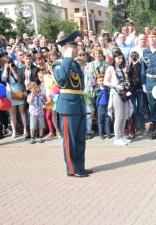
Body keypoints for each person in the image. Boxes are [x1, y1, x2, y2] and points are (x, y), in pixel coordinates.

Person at [52, 31, 92, 178]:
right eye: (74, 46)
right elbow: (61, 79)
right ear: (66, 47)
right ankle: (72, 169)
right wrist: (67, 57)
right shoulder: (58, 64)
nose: (77, 48)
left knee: (80, 140)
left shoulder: (75, 64)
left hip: (79, 105)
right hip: (68, 107)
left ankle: (80, 167)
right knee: (70, 141)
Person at [104, 50, 132, 146]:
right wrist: (116, 86)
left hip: (124, 93)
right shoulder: (110, 68)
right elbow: (105, 82)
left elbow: (124, 80)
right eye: (118, 58)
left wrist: (126, 84)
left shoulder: (122, 68)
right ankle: (117, 138)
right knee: (119, 116)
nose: (120, 60)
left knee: (125, 116)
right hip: (116, 93)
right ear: (114, 59)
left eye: (121, 58)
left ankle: (121, 136)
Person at [94, 74, 111, 139]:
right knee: (100, 121)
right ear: (97, 82)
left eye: (103, 80)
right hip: (100, 107)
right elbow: (94, 99)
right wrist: (96, 107)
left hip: (107, 106)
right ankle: (101, 134)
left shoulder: (108, 89)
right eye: (100, 81)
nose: (101, 82)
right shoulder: (96, 90)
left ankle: (108, 133)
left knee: (108, 120)